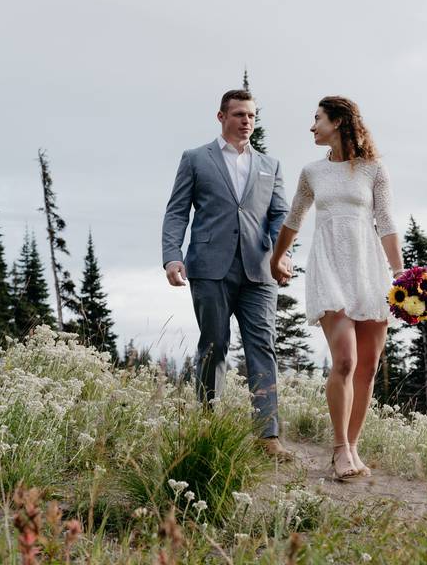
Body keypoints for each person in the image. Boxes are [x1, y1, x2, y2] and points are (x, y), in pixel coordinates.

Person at [270, 96, 403, 480]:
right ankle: (340, 448)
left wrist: (401, 274)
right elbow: (294, 217)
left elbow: (387, 222)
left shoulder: (373, 170)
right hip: (329, 267)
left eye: (317, 119)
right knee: (344, 360)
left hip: (370, 270)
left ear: (339, 122)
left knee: (369, 365)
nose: (312, 127)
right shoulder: (312, 172)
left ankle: (354, 446)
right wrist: (278, 256)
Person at [162, 88, 295, 461]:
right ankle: (206, 424)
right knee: (214, 345)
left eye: (251, 115)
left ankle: (267, 435)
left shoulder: (271, 165)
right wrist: (172, 257)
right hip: (209, 269)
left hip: (260, 271)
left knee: (262, 347)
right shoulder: (195, 159)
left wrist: (281, 256)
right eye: (238, 114)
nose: (246, 121)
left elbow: (279, 216)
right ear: (221, 117)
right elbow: (177, 212)